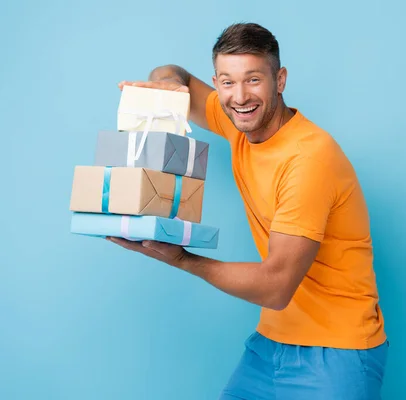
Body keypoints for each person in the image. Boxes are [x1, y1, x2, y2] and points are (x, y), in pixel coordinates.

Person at [111, 22, 388, 399]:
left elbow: (276, 287)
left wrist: (181, 259)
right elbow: (176, 75)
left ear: (280, 80)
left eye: (253, 80)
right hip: (271, 343)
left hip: (335, 352)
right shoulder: (238, 121)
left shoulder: (308, 159)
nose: (239, 96)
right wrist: (165, 86)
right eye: (227, 82)